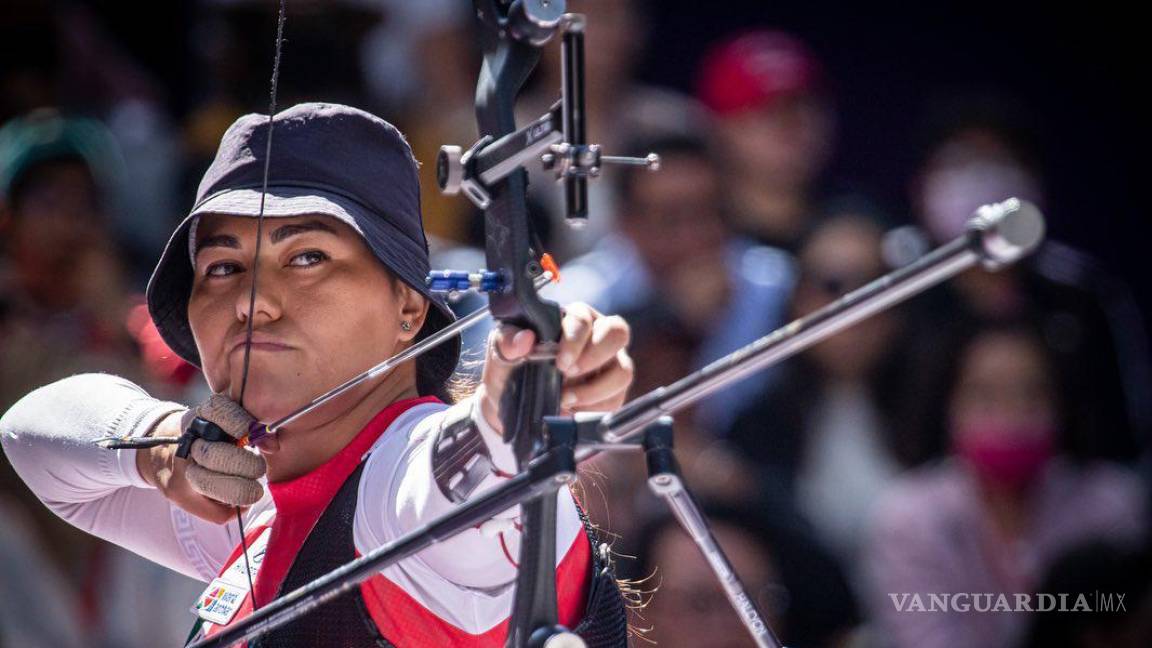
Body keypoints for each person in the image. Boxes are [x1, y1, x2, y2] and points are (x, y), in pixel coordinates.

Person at [1, 103, 635, 646]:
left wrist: (516, 402)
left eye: (307, 257)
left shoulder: (400, 486)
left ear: (409, 307)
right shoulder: (247, 506)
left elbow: (463, 475)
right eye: (222, 267)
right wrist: (166, 448)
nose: (254, 299)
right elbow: (26, 437)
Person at [863, 322, 1147, 648]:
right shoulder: (908, 521)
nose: (1012, 414)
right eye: (986, 394)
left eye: (1032, 393)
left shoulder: (1111, 505)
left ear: (1062, 403)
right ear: (947, 403)